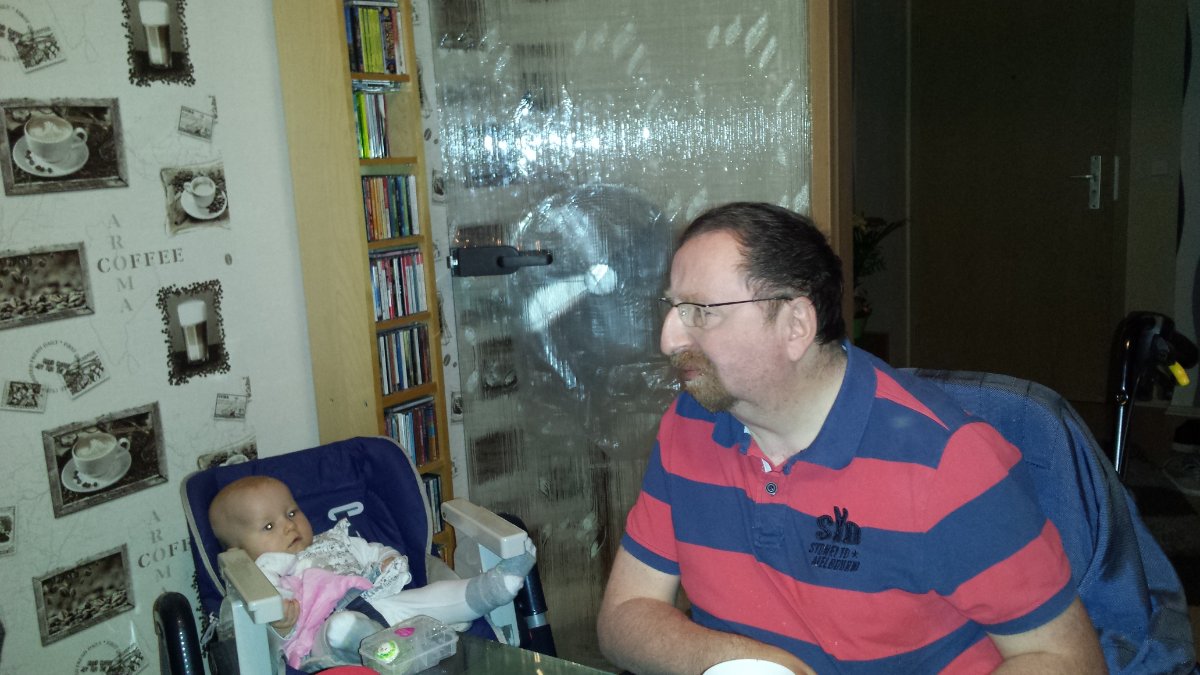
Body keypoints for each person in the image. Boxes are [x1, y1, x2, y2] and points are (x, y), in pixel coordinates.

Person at [596, 202, 1106, 674]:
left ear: (796, 324)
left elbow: (1068, 661)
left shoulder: (947, 460)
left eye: (700, 311)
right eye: (672, 308)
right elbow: (623, 616)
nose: (668, 339)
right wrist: (748, 662)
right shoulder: (689, 423)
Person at [209, 475, 535, 671]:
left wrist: (386, 560)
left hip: (377, 606)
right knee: (340, 628)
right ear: (239, 551)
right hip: (320, 638)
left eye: (292, 512)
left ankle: (489, 589)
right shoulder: (261, 573)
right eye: (268, 526)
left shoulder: (334, 540)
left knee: (424, 599)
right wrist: (280, 623)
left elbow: (372, 551)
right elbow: (261, 634)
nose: (288, 525)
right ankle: (376, 644)